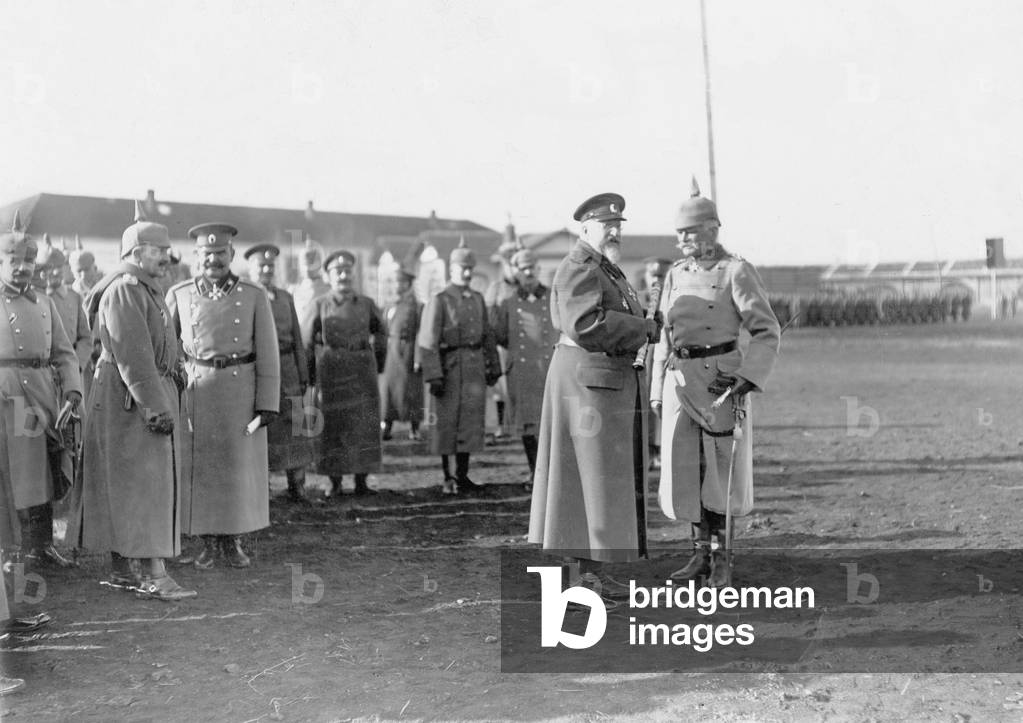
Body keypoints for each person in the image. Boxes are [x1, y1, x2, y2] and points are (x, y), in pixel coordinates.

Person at [527, 193, 657, 603]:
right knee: (584, 486)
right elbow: (584, 324)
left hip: (603, 386)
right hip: (587, 387)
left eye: (618, 225)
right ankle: (583, 584)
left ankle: (594, 576)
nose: (614, 231)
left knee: (599, 486)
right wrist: (644, 328)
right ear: (584, 229)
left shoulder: (606, 270)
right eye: (606, 225)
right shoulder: (579, 267)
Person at [650, 179, 780, 587]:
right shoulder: (675, 274)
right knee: (686, 471)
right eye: (679, 233)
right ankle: (698, 556)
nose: (681, 240)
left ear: (712, 229)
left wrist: (746, 377)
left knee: (721, 473)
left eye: (689, 232)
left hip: (720, 385)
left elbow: (767, 330)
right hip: (679, 383)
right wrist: (656, 390)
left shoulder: (736, 271)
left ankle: (723, 559)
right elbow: (663, 336)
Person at [68, 202, 195, 600]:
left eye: (166, 250)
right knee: (146, 486)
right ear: (136, 254)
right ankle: (154, 574)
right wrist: (156, 409)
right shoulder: (125, 290)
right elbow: (134, 358)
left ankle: (124, 570)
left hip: (139, 397)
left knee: (133, 485)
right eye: (158, 251)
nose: (166, 257)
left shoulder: (145, 288)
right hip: (131, 402)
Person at [167, 222, 280, 569]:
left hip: (239, 393)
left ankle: (233, 543)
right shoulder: (180, 294)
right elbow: (166, 347)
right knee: (202, 470)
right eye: (206, 253)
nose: (213, 260)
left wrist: (267, 402)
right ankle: (208, 543)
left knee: (237, 468)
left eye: (220, 253)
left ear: (231, 254)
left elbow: (269, 352)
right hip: (197, 393)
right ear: (196, 256)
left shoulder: (254, 295)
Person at [0, 211, 82, 570]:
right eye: (14, 261)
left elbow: (64, 353)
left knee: (43, 472)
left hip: (42, 397)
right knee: (11, 474)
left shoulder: (46, 304)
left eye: (28, 262)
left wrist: (73, 392)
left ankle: (42, 545)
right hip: (7, 399)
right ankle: (10, 550)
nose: (22, 268)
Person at [417, 238, 501, 495]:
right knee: (447, 424)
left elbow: (487, 335)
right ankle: (448, 477)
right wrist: (434, 375)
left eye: (470, 269)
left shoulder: (477, 299)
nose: (467, 273)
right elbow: (428, 341)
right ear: (451, 269)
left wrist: (493, 366)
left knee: (469, 423)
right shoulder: (440, 300)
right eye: (462, 269)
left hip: (474, 368)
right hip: (449, 370)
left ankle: (462, 475)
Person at [305, 250, 386, 497]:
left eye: (348, 271)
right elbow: (307, 341)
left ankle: (362, 481)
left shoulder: (366, 304)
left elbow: (381, 333)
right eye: (338, 272)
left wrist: (377, 362)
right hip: (333, 371)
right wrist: (310, 375)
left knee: (364, 425)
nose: (343, 276)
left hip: (362, 371)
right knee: (334, 426)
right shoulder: (320, 304)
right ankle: (335, 482)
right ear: (328, 277)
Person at [244, 243, 314, 502]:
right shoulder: (245, 296)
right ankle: (262, 490)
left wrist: (302, 373)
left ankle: (297, 485)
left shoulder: (285, 297)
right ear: (250, 269)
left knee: (295, 428)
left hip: (288, 370)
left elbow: (296, 338)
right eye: (261, 266)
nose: (266, 270)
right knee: (262, 428)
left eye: (270, 266)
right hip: (259, 371)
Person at [491, 247, 558, 489]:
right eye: (523, 269)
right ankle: (535, 473)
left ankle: (553, 475)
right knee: (527, 424)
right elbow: (499, 335)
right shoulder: (508, 302)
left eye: (532, 267)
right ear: (516, 272)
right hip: (521, 372)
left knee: (551, 423)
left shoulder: (552, 297)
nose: (528, 273)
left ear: (538, 269)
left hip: (548, 370)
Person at [380, 244, 424, 442]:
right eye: (397, 282)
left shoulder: (417, 306)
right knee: (389, 391)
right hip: (392, 353)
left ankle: (414, 428)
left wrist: (418, 358)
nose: (399, 286)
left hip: (408, 352)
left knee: (411, 391)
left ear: (409, 284)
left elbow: (421, 332)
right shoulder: (390, 305)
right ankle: (387, 426)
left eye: (403, 282)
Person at [484, 224, 521, 441]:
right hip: (501, 346)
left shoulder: (525, 289)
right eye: (509, 264)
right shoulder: (495, 289)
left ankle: (518, 424)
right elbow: (490, 320)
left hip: (521, 345)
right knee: (501, 389)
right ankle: (500, 426)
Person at [36, 236, 92, 376]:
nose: (56, 272)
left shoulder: (74, 298)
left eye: (59, 267)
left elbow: (85, 337)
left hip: (71, 371)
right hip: (42, 374)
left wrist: (76, 365)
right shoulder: (32, 299)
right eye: (51, 268)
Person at [640, 257, 673, 470]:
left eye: (661, 275)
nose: (656, 280)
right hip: (643, 355)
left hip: (666, 355)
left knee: (663, 399)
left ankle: (662, 449)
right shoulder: (637, 298)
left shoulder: (673, 297)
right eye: (652, 275)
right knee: (644, 402)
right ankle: (648, 449)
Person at [290, 237, 330, 347]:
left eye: (312, 262)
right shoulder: (292, 291)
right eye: (305, 263)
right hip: (298, 345)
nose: (308, 268)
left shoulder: (329, 291)